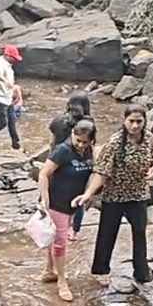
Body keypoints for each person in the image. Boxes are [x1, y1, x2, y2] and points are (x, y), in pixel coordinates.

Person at [74, 105, 153, 285]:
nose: (135, 126)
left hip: (138, 194)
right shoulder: (115, 143)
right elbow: (102, 172)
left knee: (140, 232)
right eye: (131, 121)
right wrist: (88, 193)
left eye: (139, 122)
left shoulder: (150, 139)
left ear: (144, 122)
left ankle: (141, 272)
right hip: (115, 195)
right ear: (124, 121)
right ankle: (101, 269)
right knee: (107, 233)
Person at [38, 120, 96, 302]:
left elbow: (93, 174)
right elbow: (44, 173)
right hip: (56, 202)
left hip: (74, 204)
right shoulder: (63, 150)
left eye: (85, 142)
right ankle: (62, 281)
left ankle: (49, 270)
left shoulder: (89, 152)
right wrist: (44, 197)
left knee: (55, 238)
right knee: (60, 242)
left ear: (91, 141)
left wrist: (89, 194)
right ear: (72, 135)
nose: (80, 145)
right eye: (77, 140)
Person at [49, 92, 93, 239]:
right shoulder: (88, 123)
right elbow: (92, 143)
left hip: (57, 160)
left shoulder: (59, 120)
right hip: (80, 163)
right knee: (79, 195)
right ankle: (74, 230)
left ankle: (52, 223)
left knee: (54, 193)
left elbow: (52, 136)